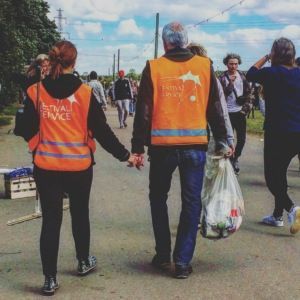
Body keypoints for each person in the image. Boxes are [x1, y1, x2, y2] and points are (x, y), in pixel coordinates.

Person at [22, 40, 137, 296]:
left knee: (51, 221)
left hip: (46, 165)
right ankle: (83, 261)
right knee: (80, 213)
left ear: (52, 61)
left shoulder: (36, 91)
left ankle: (49, 279)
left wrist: (36, 146)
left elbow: (24, 127)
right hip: (79, 166)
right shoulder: (84, 93)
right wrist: (126, 156)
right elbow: (103, 132)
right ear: (74, 62)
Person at [131, 22, 230, 279]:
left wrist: (137, 147)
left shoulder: (154, 67)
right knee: (191, 202)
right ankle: (183, 261)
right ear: (186, 41)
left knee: (158, 198)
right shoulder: (204, 65)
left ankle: (163, 256)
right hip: (195, 147)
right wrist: (223, 140)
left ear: (165, 43)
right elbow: (215, 107)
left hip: (162, 149)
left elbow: (143, 111)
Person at [246, 37, 300, 233]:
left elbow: (251, 73)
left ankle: (292, 208)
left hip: (278, 132)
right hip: (298, 132)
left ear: (275, 54)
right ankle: (277, 216)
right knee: (282, 173)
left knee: (272, 177)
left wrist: (266, 57)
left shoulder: (271, 73)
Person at [187, 43, 235, 151]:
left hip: (174, 137)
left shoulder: (179, 80)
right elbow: (221, 111)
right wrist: (228, 139)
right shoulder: (211, 80)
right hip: (200, 135)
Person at [219, 53, 252, 174]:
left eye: (236, 64)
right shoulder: (222, 78)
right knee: (228, 139)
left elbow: (249, 93)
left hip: (240, 112)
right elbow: (221, 95)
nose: (233, 66)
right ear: (226, 64)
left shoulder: (242, 76)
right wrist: (231, 83)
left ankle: (235, 158)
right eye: (231, 64)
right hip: (227, 113)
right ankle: (230, 159)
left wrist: (245, 109)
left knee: (242, 139)